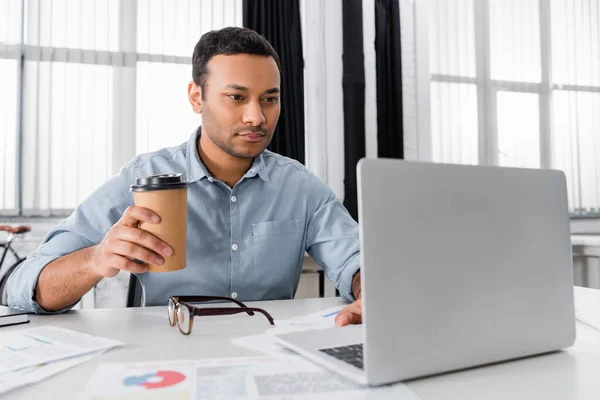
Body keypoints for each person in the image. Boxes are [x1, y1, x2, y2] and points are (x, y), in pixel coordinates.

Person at [8, 27, 362, 327]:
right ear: (197, 97)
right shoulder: (143, 178)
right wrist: (96, 258)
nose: (257, 116)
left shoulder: (299, 186)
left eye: (269, 99)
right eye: (237, 97)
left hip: (270, 355)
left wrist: (369, 289)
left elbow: (356, 261)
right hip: (169, 359)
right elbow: (22, 287)